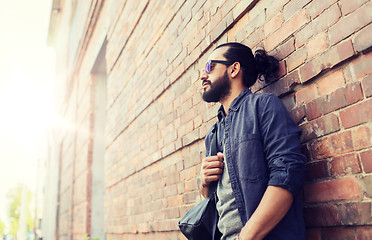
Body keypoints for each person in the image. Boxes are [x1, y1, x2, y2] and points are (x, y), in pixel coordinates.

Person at [199, 42, 307, 240]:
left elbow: (288, 173)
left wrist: (245, 237)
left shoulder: (263, 106)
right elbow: (217, 203)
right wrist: (205, 184)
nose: (203, 75)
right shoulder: (213, 134)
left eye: (210, 67)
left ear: (234, 69)